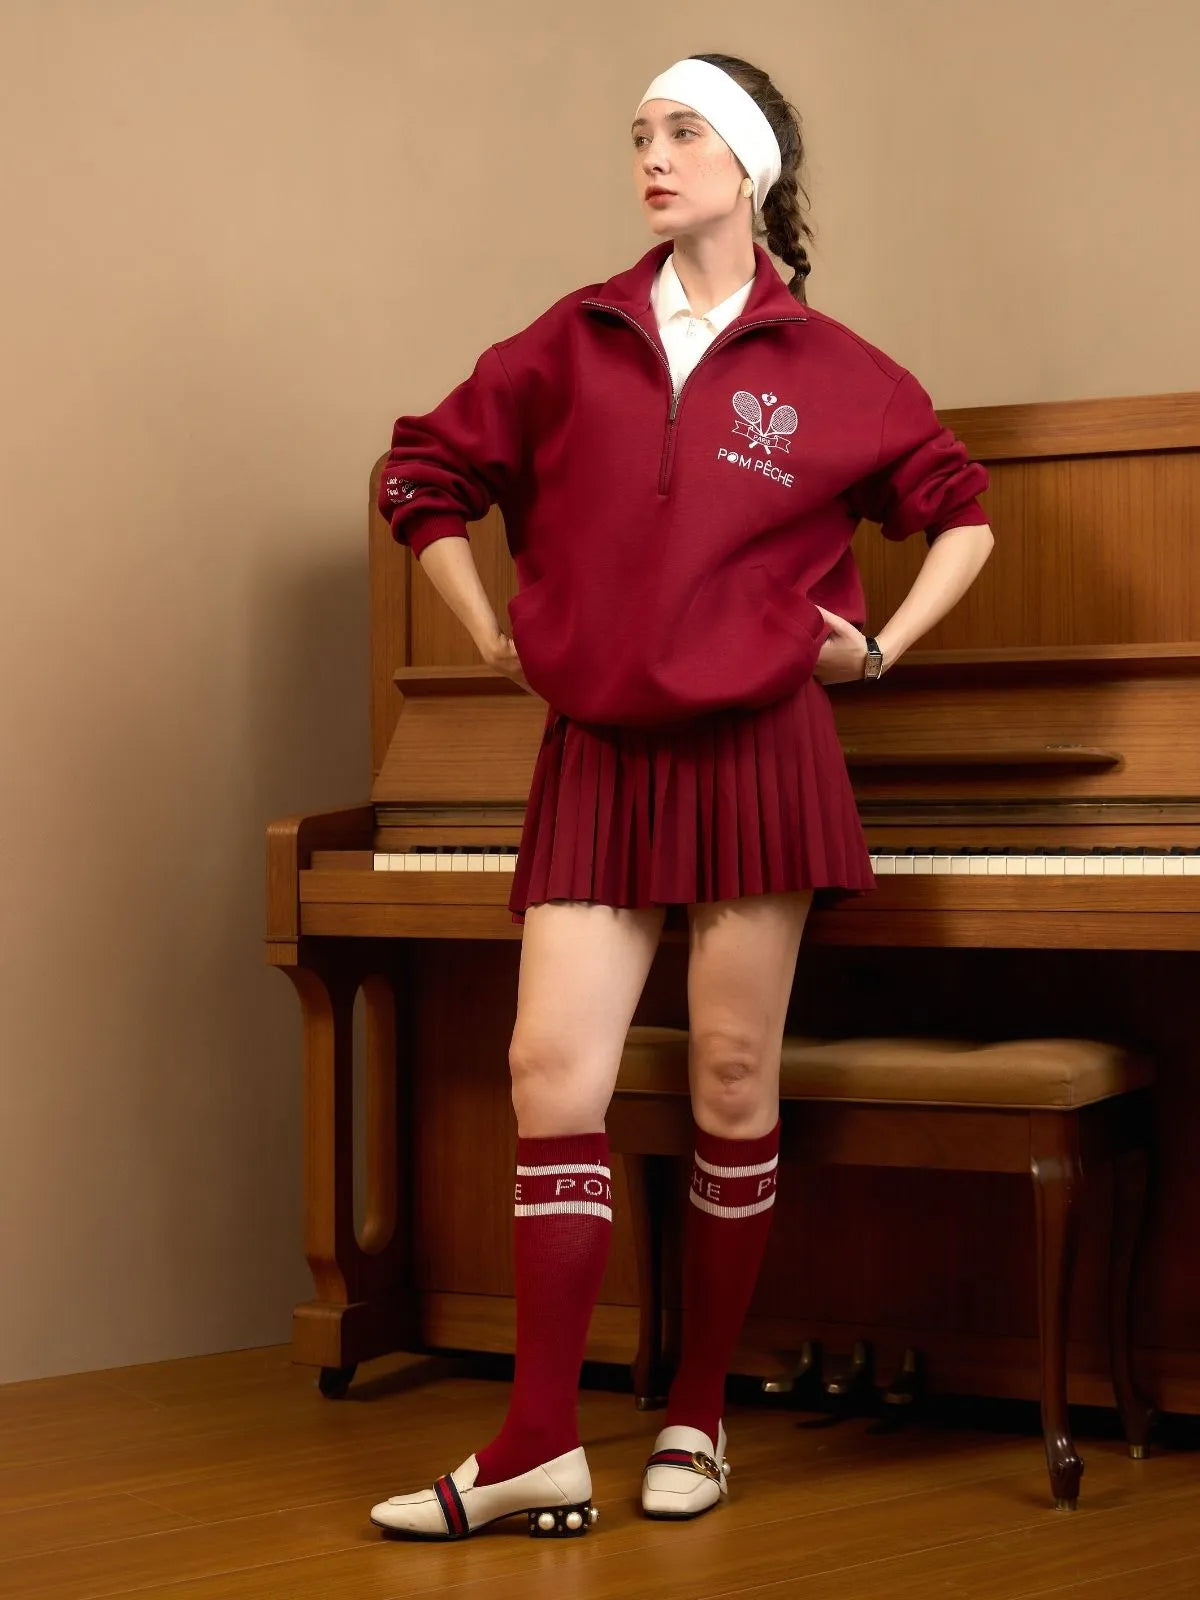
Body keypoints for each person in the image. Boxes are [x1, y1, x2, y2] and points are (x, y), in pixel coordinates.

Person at [369, 52, 994, 1542]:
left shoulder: (838, 370)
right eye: (641, 133)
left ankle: (697, 1417)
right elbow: (422, 474)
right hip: (600, 750)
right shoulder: (571, 339)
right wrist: (487, 630)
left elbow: (962, 512)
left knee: (728, 1080)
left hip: (763, 751)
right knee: (551, 1073)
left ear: (754, 164)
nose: (653, 155)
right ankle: (537, 1443)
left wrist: (882, 650)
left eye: (686, 130)